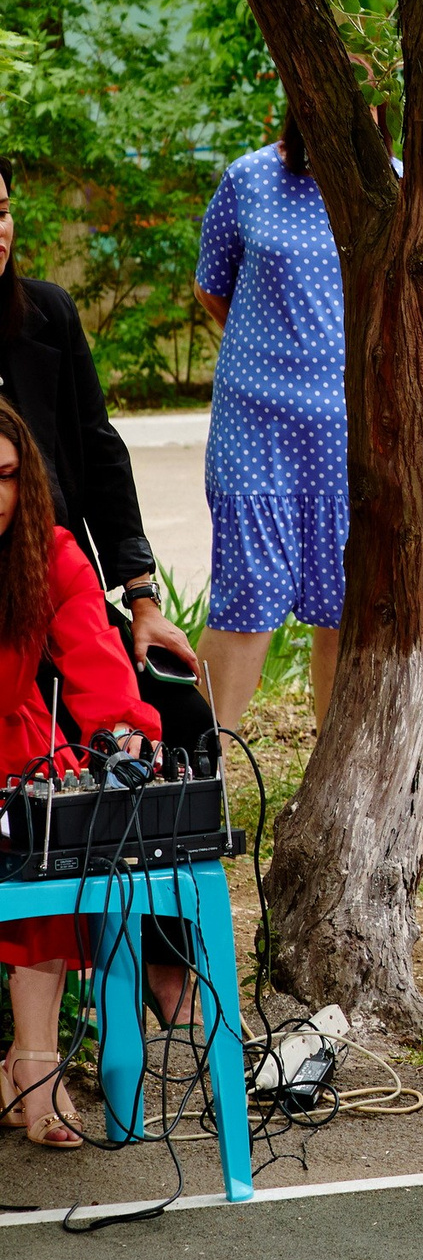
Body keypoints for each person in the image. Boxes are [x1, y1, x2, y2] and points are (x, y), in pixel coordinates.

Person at [2, 158, 215, 1026]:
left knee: (179, 721)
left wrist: (143, 597)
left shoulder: (45, 312)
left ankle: (161, 960)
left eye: (4, 210)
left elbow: (99, 446)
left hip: (60, 584)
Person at [0, 398, 162, 1149]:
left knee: (49, 868)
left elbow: (96, 658)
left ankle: (34, 1068)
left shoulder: (47, 547)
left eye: (6, 477)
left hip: (17, 747)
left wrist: (124, 731)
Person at [192, 112, 363, 732]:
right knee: (245, 600)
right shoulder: (249, 178)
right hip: (255, 428)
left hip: (353, 432)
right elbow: (214, 289)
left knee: (348, 608)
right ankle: (199, 784)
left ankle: (333, 776)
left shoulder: (399, 185)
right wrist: (273, 358)